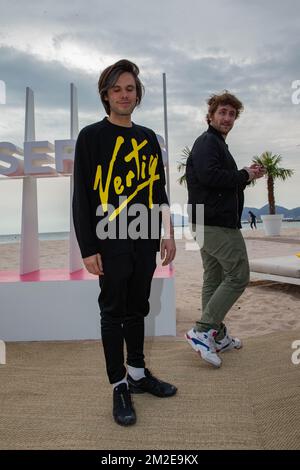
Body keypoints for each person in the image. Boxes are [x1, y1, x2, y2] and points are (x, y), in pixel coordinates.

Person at [72, 59, 177, 426]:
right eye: (116, 89)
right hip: (109, 238)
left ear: (137, 94)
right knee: (113, 311)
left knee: (139, 307)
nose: (124, 95)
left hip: (145, 235)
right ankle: (118, 384)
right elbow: (82, 196)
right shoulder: (90, 137)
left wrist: (168, 232)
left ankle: (137, 372)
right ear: (106, 95)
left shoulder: (148, 138)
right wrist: (88, 248)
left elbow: (158, 190)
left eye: (130, 89)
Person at [185, 91, 265, 368]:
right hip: (214, 223)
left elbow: (218, 179)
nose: (227, 118)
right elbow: (210, 176)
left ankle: (215, 336)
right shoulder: (208, 142)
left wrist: (247, 174)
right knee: (239, 275)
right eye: (223, 112)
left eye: (232, 114)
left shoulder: (216, 143)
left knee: (215, 276)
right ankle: (202, 330)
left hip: (204, 220)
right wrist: (244, 175)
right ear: (211, 115)